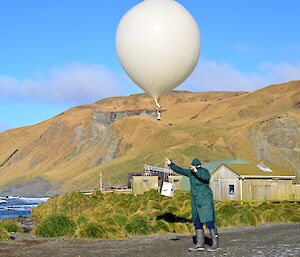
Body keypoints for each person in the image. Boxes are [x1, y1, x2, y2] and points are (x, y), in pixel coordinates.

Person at [165, 157, 219, 252]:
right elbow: (180, 170)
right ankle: (199, 245)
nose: (192, 168)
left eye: (193, 167)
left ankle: (215, 244)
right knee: (197, 222)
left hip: (205, 201)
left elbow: (206, 178)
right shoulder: (190, 173)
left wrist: (196, 171)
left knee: (209, 222)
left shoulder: (204, 171)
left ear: (197, 166)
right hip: (195, 202)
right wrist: (170, 164)